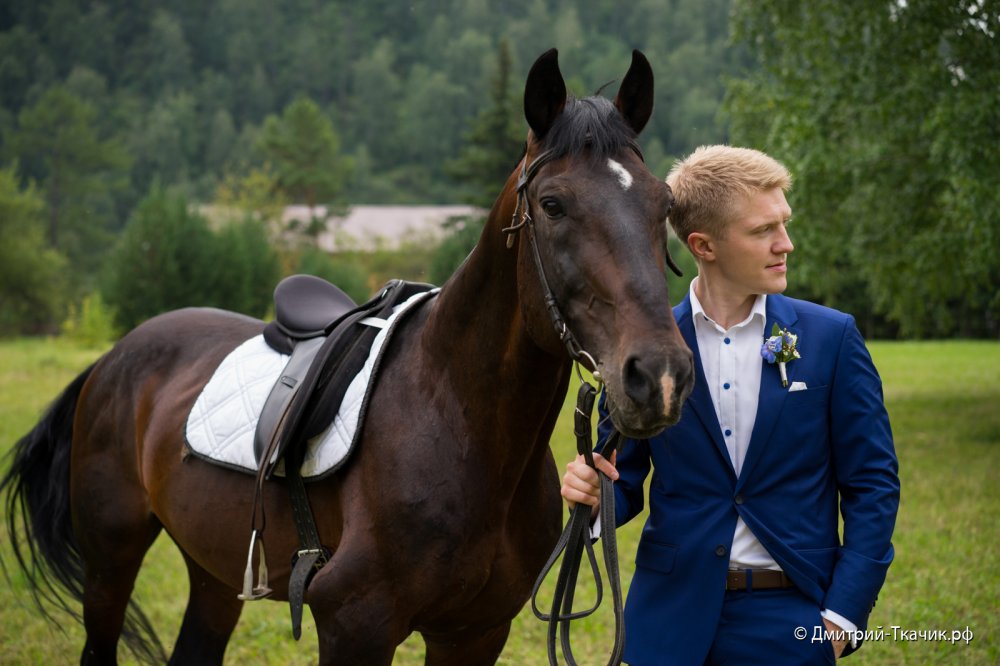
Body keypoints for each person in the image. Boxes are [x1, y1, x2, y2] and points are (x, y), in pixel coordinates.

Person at [561, 145, 899, 664]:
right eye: (763, 230)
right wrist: (592, 497)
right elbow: (621, 481)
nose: (785, 244)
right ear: (704, 245)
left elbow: (873, 484)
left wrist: (841, 618)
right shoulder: (645, 349)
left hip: (794, 618)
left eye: (783, 223)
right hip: (668, 624)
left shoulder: (832, 339)